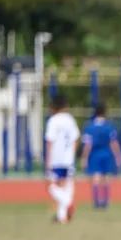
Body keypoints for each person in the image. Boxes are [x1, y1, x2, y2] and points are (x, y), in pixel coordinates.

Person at [44, 95, 80, 224]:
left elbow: (49, 141)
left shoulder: (53, 120)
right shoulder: (70, 119)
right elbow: (75, 139)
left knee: (52, 186)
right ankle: (62, 216)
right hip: (68, 159)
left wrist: (48, 160)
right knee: (67, 185)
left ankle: (67, 202)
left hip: (56, 159)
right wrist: (71, 155)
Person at [80, 105, 121, 209]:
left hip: (94, 155)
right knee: (106, 178)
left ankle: (96, 202)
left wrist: (84, 158)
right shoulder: (109, 126)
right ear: (105, 113)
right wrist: (119, 157)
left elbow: (87, 145)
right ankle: (105, 202)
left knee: (95, 178)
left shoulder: (89, 127)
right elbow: (114, 143)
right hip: (107, 154)